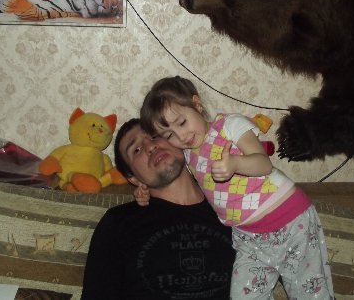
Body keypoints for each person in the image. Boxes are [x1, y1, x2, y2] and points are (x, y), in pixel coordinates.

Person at [139, 76, 335, 300]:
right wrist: (143, 189)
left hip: (289, 219)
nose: (181, 136)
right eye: (169, 135)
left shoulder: (229, 125)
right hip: (248, 237)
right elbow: (173, 179)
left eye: (182, 123)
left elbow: (263, 163)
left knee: (309, 292)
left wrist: (235, 164)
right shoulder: (187, 155)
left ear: (197, 104)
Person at [81, 118, 235, 300]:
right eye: (136, 150)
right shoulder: (118, 222)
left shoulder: (233, 207)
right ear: (133, 178)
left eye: (155, 136)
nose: (150, 146)